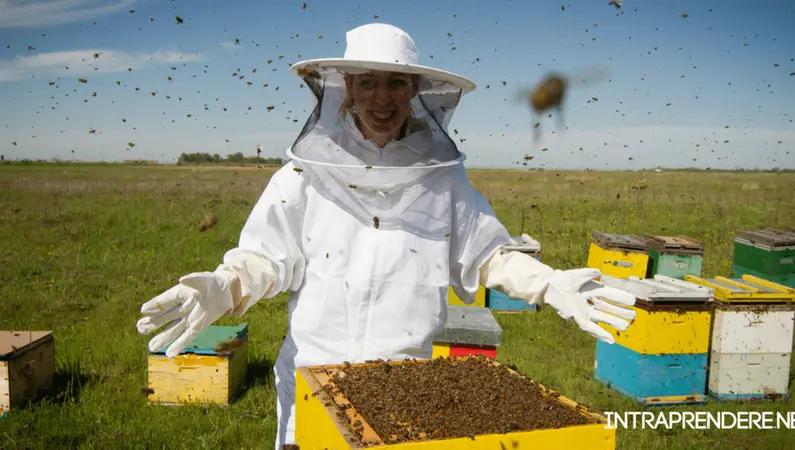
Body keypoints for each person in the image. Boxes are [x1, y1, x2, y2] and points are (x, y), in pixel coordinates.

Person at [136, 23, 637, 448]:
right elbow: (265, 258)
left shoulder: (443, 181)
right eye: (368, 82)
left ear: (414, 91)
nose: (381, 97)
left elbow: (490, 255)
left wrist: (548, 284)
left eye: (396, 83)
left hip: (404, 401)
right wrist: (227, 285)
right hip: (312, 389)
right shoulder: (303, 177)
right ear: (346, 89)